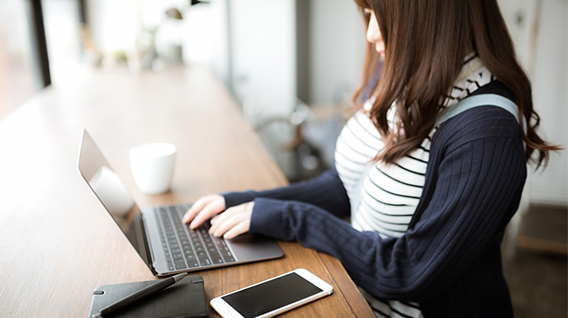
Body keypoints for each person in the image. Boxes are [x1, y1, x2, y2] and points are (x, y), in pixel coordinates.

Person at [183, 0, 561, 317]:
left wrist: (288, 217)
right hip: (356, 292)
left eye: (380, 15)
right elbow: (346, 184)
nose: (371, 33)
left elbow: (411, 271)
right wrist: (250, 203)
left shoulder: (486, 133)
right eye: (367, 13)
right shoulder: (406, 70)